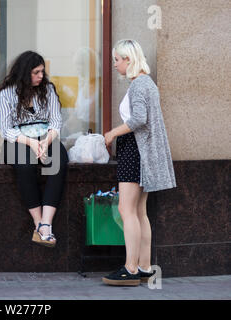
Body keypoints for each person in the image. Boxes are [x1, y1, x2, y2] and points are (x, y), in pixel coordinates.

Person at [102, 40, 176, 286]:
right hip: (142, 152)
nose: (115, 64)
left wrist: (112, 133)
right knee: (139, 211)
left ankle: (131, 268)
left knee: (126, 210)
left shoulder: (138, 85)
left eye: (117, 60)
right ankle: (144, 266)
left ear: (128, 59)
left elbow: (139, 120)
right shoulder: (148, 83)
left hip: (134, 150)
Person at [0, 51, 68, 248]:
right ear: (24, 72)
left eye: (42, 72)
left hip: (46, 136)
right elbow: (6, 129)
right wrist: (31, 143)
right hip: (18, 140)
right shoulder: (7, 93)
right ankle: (37, 222)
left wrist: (46, 141)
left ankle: (46, 223)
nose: (40, 76)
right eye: (36, 72)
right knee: (24, 165)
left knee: (58, 161)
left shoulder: (48, 89)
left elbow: (56, 121)